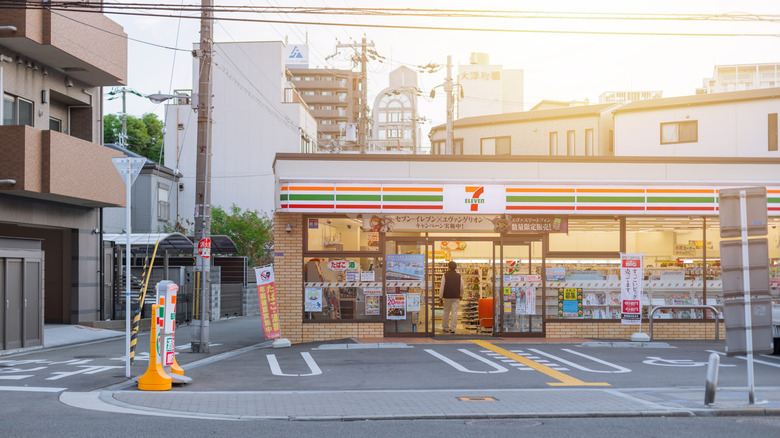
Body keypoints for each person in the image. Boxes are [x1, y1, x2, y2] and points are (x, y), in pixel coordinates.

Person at [439, 260, 464, 333]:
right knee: (454, 312)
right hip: (456, 297)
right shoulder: (459, 276)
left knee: (446, 312)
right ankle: (453, 328)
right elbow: (462, 287)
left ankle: (445, 327)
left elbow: (442, 287)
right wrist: (461, 295)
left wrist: (440, 297)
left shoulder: (445, 275)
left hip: (447, 296)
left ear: (448, 267)